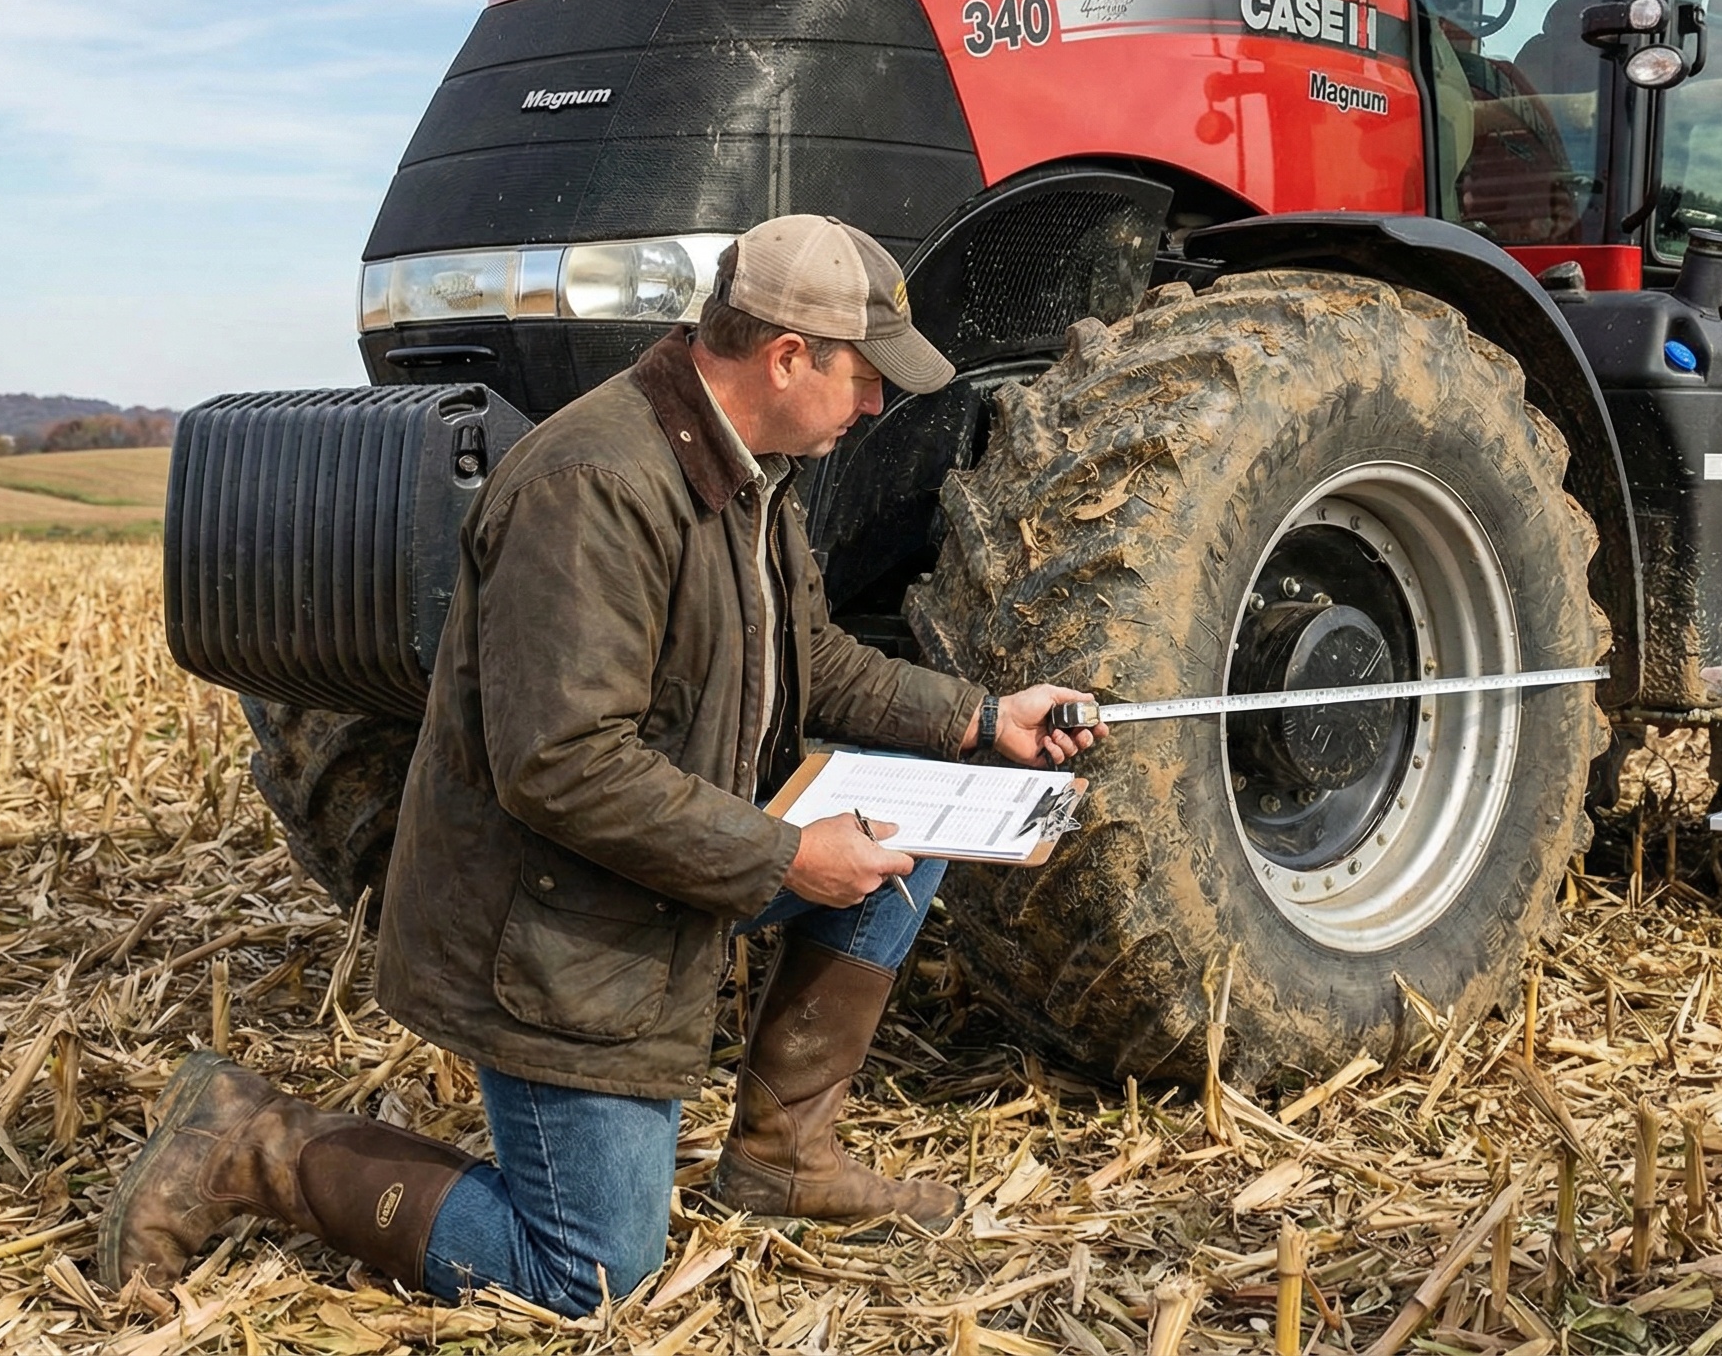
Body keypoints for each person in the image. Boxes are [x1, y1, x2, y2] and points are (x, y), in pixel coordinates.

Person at [101, 215, 1102, 1313]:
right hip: (551, 923)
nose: (874, 406)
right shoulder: (594, 485)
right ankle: (249, 1143)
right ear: (786, 357)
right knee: (586, 1273)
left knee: (913, 836)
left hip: (659, 864)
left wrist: (979, 720)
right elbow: (564, 766)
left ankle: (782, 1157)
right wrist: (779, 858)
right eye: (865, 378)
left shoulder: (750, 467)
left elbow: (804, 652)